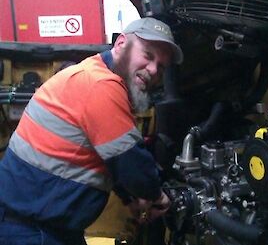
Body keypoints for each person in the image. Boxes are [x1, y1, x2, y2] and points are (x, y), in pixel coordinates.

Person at [0, 17, 183, 245]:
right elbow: (131, 165)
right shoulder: (101, 85)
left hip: (44, 225)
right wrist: (157, 196)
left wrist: (129, 199)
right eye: (148, 55)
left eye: (161, 66)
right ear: (121, 44)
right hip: (31, 232)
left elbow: (104, 158)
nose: (154, 69)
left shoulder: (91, 72)